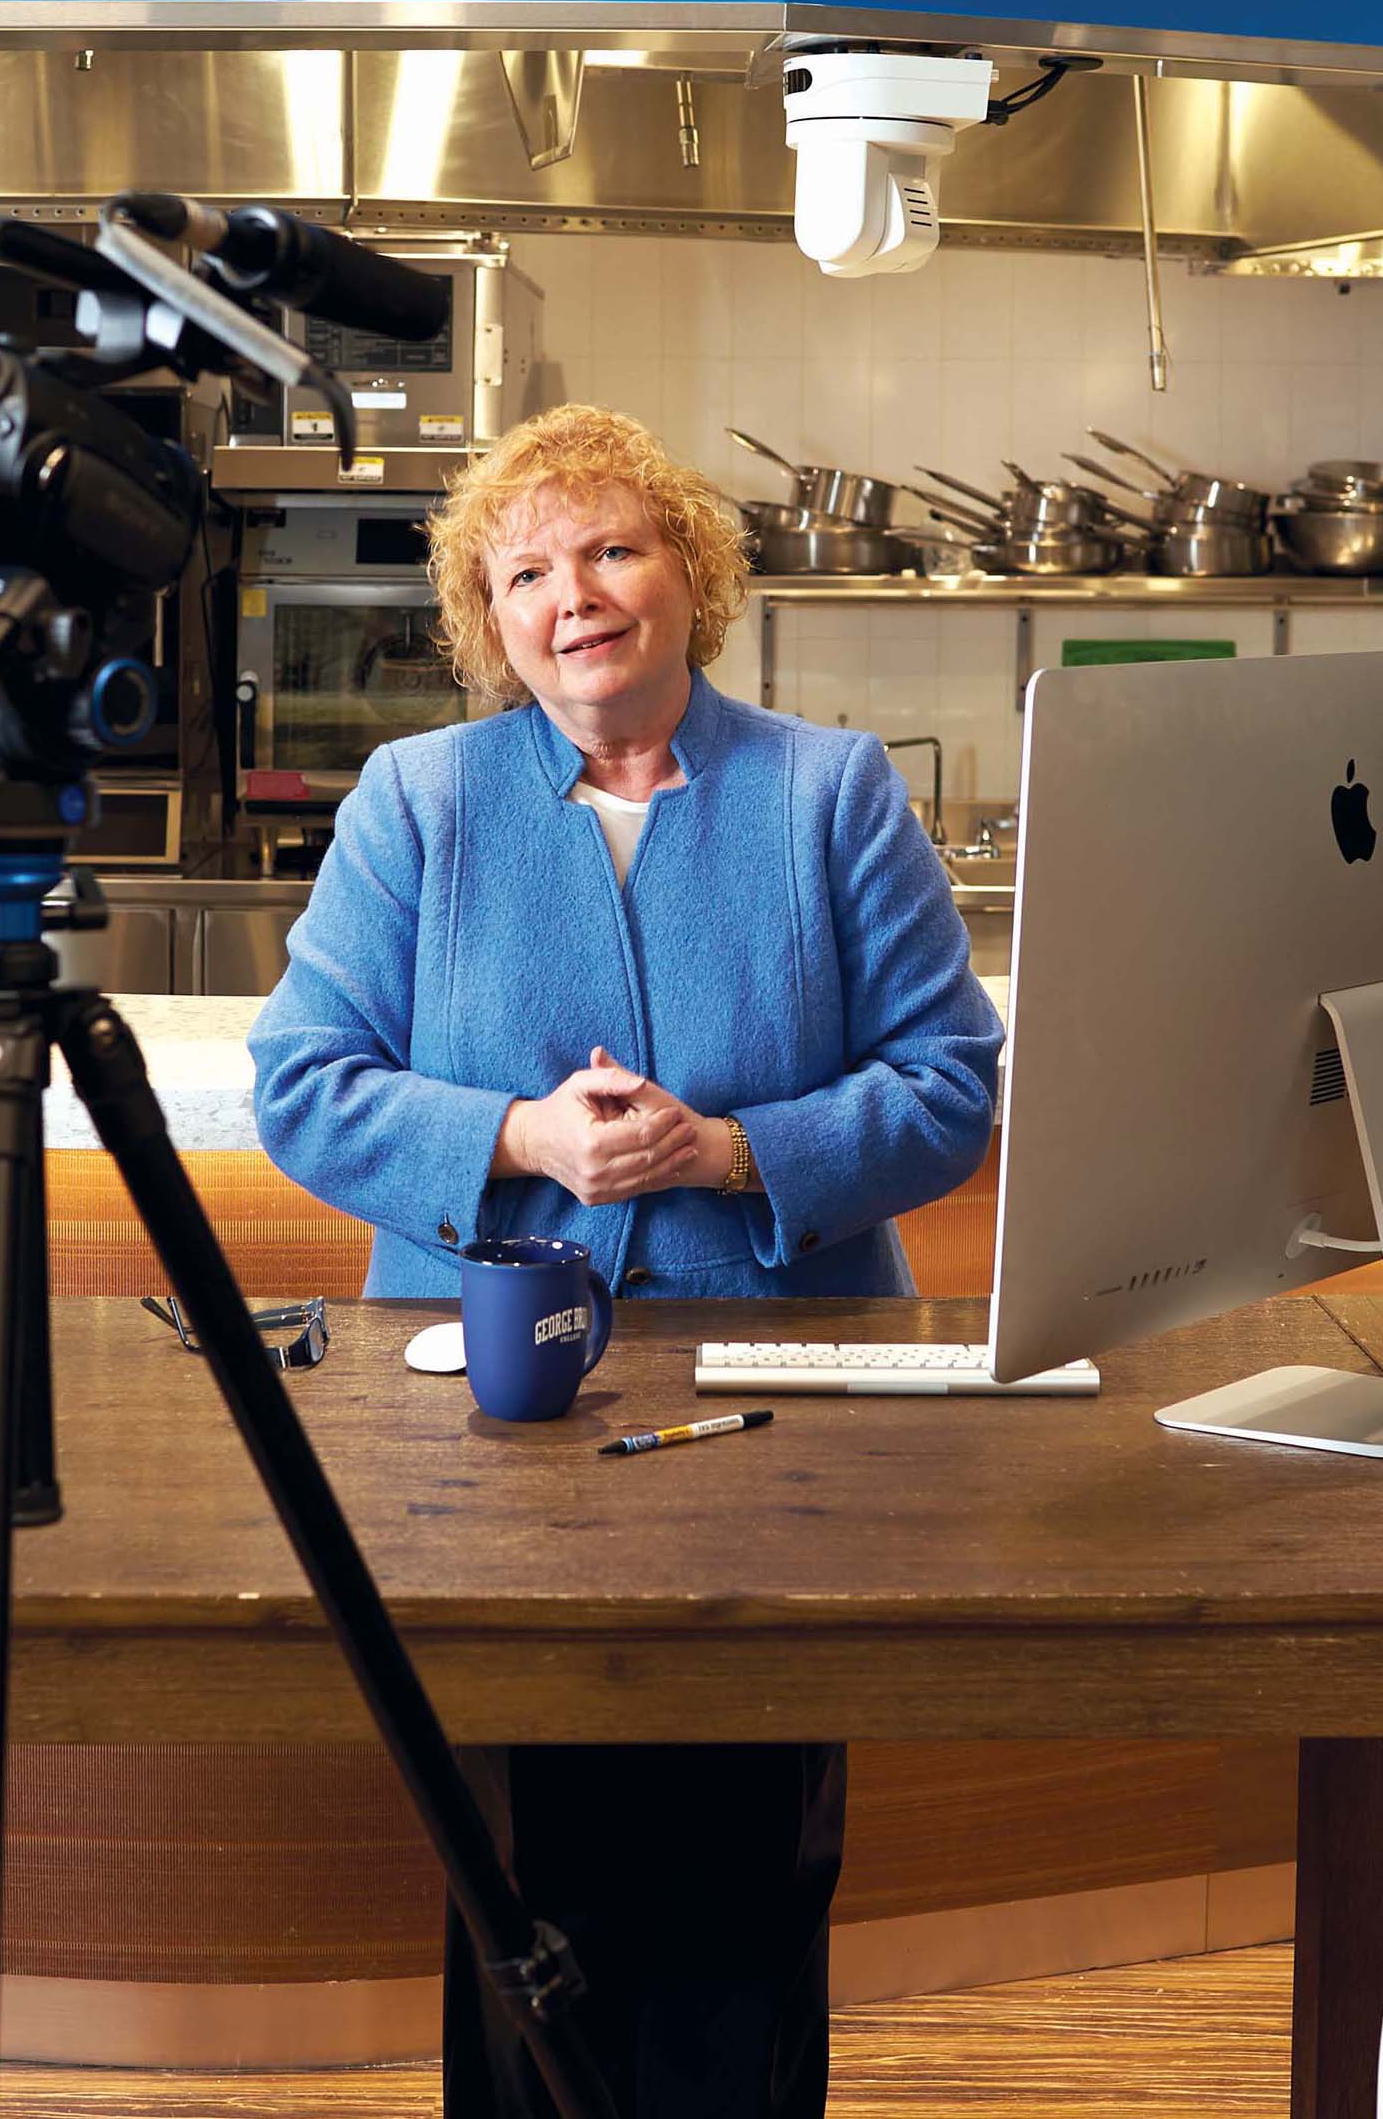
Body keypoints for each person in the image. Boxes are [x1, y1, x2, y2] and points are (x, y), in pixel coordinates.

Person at [248, 402, 1004, 2118]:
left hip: (782, 1407)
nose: (573, 595)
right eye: (526, 571)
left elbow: (951, 1088)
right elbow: (302, 1084)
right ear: (489, 621)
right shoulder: (416, 800)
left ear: (690, 576)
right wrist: (520, 1137)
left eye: (611, 548)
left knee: (751, 1862)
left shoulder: (830, 789)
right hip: (486, 1420)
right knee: (522, 1868)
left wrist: (733, 1152)